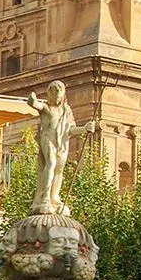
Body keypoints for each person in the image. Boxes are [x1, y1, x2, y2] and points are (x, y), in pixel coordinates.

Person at [27, 81, 88, 215]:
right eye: (54, 92)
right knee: (51, 163)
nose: (56, 95)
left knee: (59, 169)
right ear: (49, 93)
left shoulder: (66, 111)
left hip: (62, 142)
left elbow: (71, 129)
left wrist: (84, 128)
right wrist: (32, 99)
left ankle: (54, 197)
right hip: (48, 138)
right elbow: (34, 104)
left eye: (59, 92)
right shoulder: (46, 108)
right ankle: (45, 197)